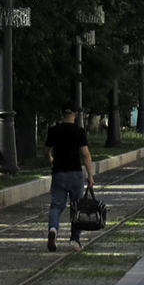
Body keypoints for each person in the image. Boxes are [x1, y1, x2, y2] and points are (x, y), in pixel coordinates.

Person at [45, 105, 94, 252]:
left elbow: (46, 149)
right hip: (75, 174)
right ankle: (74, 240)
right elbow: (85, 153)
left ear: (62, 114)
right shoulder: (79, 132)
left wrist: (50, 158)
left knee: (56, 206)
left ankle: (53, 229)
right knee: (76, 208)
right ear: (75, 114)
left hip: (58, 173)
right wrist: (90, 175)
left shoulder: (54, 130)